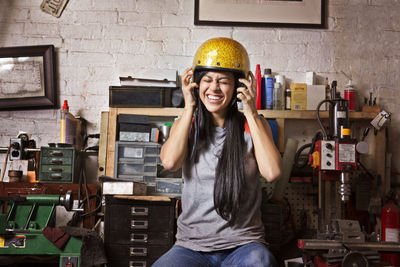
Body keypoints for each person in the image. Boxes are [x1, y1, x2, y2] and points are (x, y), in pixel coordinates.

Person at [153, 37, 282, 267]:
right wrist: (189, 106)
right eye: (207, 80)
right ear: (196, 83)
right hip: (191, 247)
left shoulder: (253, 126)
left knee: (260, 262)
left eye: (223, 81)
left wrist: (251, 112)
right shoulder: (186, 125)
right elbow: (170, 162)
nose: (213, 88)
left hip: (244, 246)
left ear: (239, 87)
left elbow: (272, 172)